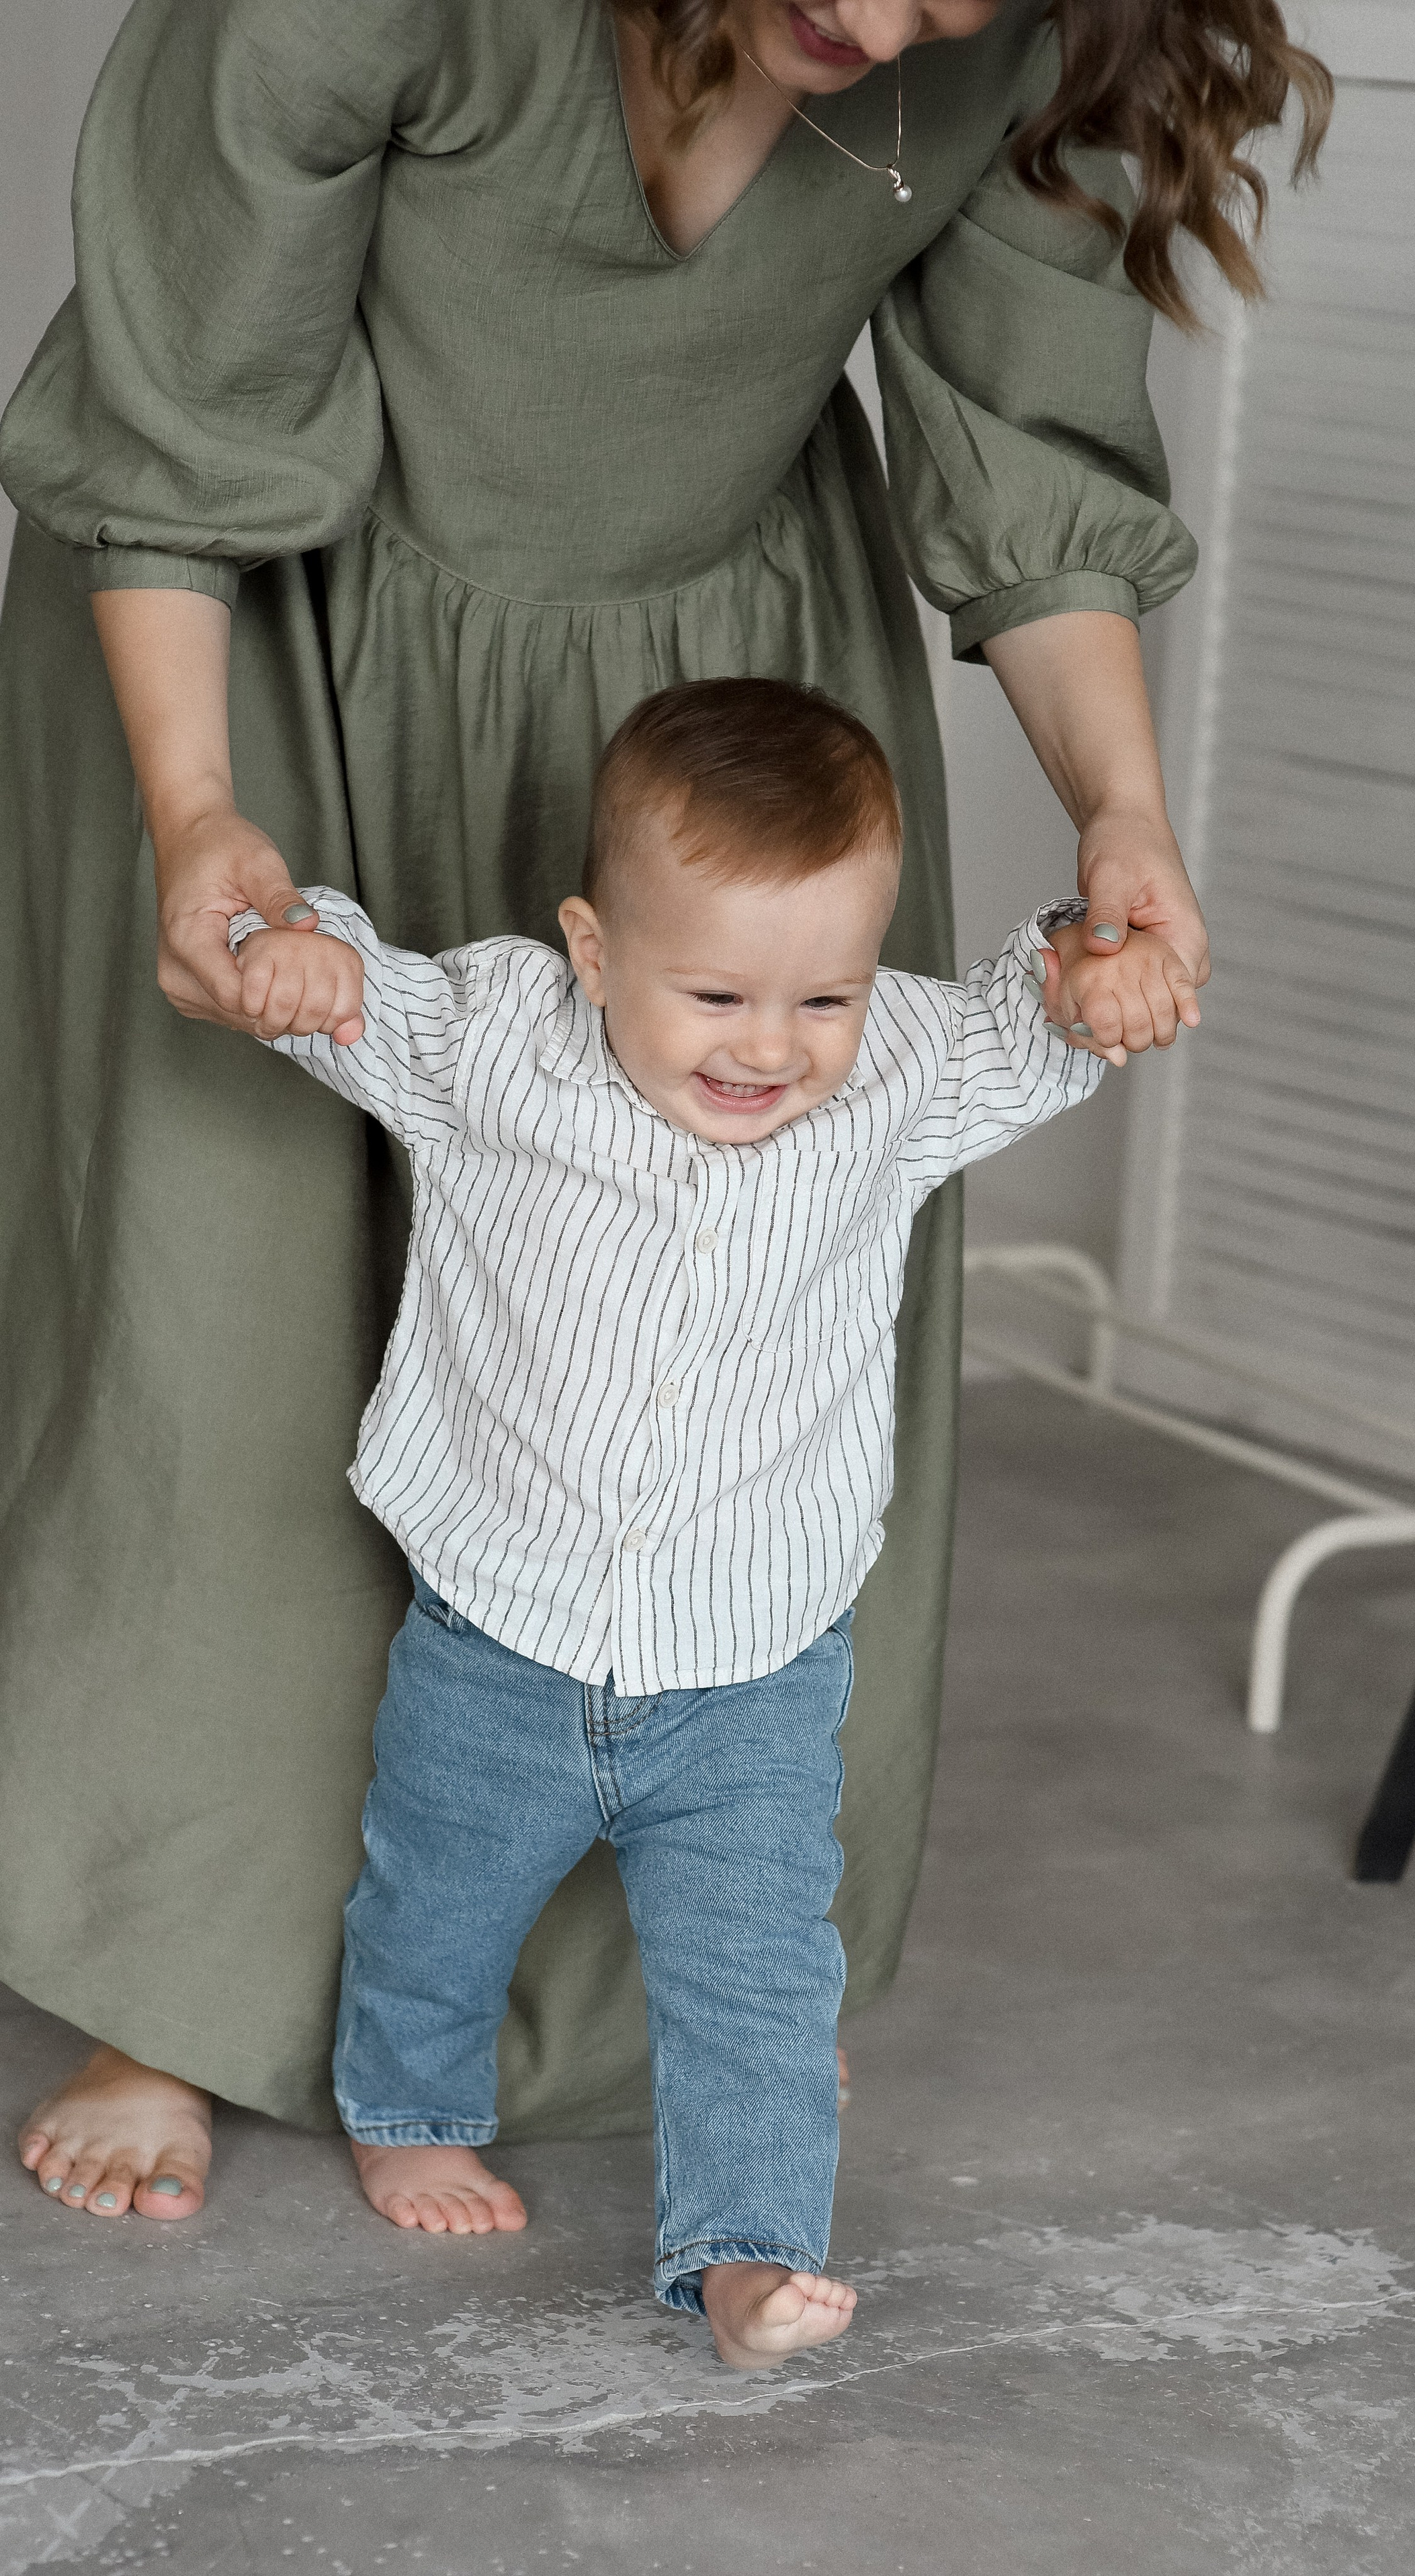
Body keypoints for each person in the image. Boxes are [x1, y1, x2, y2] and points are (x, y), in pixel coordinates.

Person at [1, 0, 1328, 2220]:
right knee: (229, 1307)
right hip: (263, 648)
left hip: (718, 694)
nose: (896, 21)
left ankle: (612, 1980)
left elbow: (1030, 445)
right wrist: (199, 811)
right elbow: (181, 397)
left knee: (701, 1317)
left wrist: (1128, 816)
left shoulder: (1018, 54)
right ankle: (180, 1972)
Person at [203, 676, 1190, 2358]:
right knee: (432, 1893)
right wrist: (290, 952)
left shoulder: (893, 1075)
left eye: (823, 993)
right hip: (498, 1624)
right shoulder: (503, 1038)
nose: (770, 1044)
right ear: (592, 953)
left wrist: (1096, 967)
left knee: (756, 1977)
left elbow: (1035, 1024)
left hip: (750, 1657)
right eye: (716, 991)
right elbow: (346, 989)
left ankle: (742, 2252)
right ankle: (407, 2102)